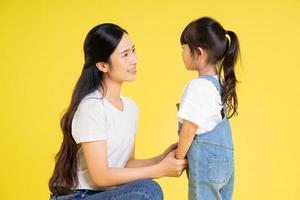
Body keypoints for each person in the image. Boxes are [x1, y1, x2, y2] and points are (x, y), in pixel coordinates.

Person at [49, 23, 187, 200]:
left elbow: (126, 164)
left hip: (108, 194)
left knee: (146, 189)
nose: (134, 59)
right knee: (147, 191)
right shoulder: (92, 107)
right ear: (103, 66)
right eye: (125, 55)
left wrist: (161, 159)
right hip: (78, 196)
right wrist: (159, 170)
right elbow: (101, 177)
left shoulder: (130, 108)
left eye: (133, 50)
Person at [175, 17, 240, 200]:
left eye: (183, 49)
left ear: (199, 53)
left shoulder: (198, 86)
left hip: (207, 162)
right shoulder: (220, 84)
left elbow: (189, 129)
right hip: (225, 163)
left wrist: (179, 157)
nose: (181, 54)